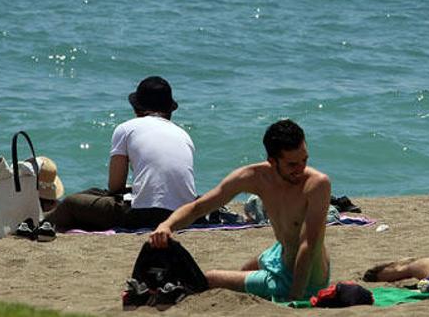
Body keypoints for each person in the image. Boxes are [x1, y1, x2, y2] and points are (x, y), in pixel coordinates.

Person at [148, 119, 331, 302]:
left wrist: (295, 297)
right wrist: (167, 225)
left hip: (301, 278)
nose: (301, 169)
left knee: (210, 278)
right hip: (280, 253)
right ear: (272, 161)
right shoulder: (254, 177)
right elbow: (200, 207)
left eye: (304, 160)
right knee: (245, 270)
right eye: (292, 165)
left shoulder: (317, 184)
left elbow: (308, 245)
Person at [44, 76, 197, 231]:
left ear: (137, 109)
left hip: (145, 215)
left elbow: (116, 186)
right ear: (169, 110)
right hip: (186, 214)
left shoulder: (126, 129)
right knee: (95, 192)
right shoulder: (183, 135)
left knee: (71, 203)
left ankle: (38, 224)